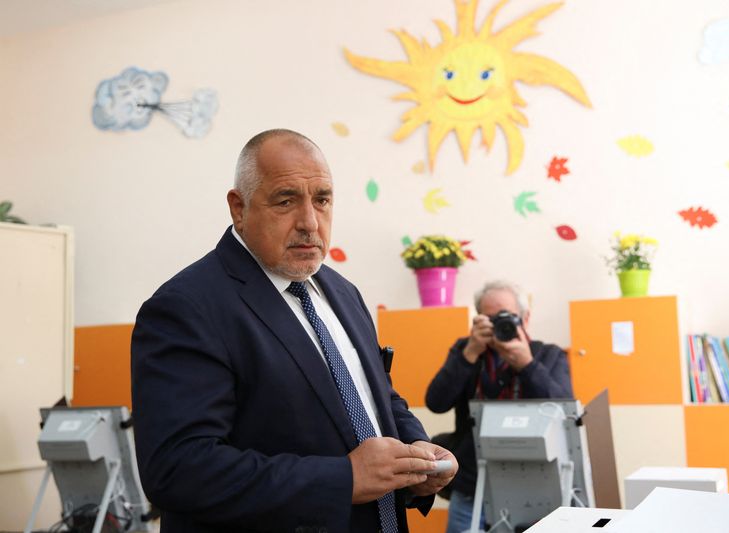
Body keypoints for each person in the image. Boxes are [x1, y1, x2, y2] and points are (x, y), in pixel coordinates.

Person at [131, 129, 458, 533]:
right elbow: (177, 469)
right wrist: (343, 478)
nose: (309, 222)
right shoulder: (187, 307)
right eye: (286, 200)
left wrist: (416, 451)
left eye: (322, 200)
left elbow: (376, 398)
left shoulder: (341, 291)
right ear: (239, 207)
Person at [425, 281, 572, 533]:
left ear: (525, 318)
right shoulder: (467, 350)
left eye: (506, 316)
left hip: (535, 484)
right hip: (472, 484)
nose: (498, 325)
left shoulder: (547, 355)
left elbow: (563, 412)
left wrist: (527, 365)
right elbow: (436, 402)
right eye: (489, 318)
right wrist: (469, 353)